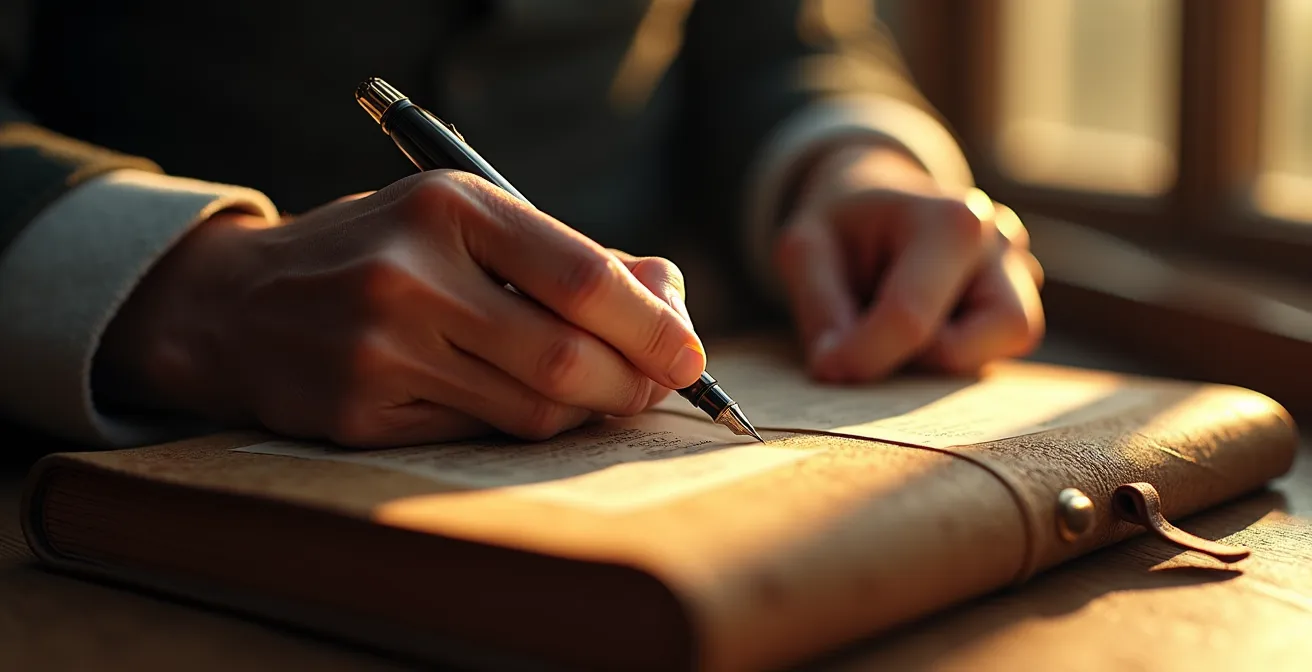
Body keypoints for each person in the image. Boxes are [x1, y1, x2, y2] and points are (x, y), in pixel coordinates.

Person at [0, 0, 1044, 449]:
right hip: (131, 460)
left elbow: (785, 37)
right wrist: (189, 293)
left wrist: (850, 161)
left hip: (686, 366)